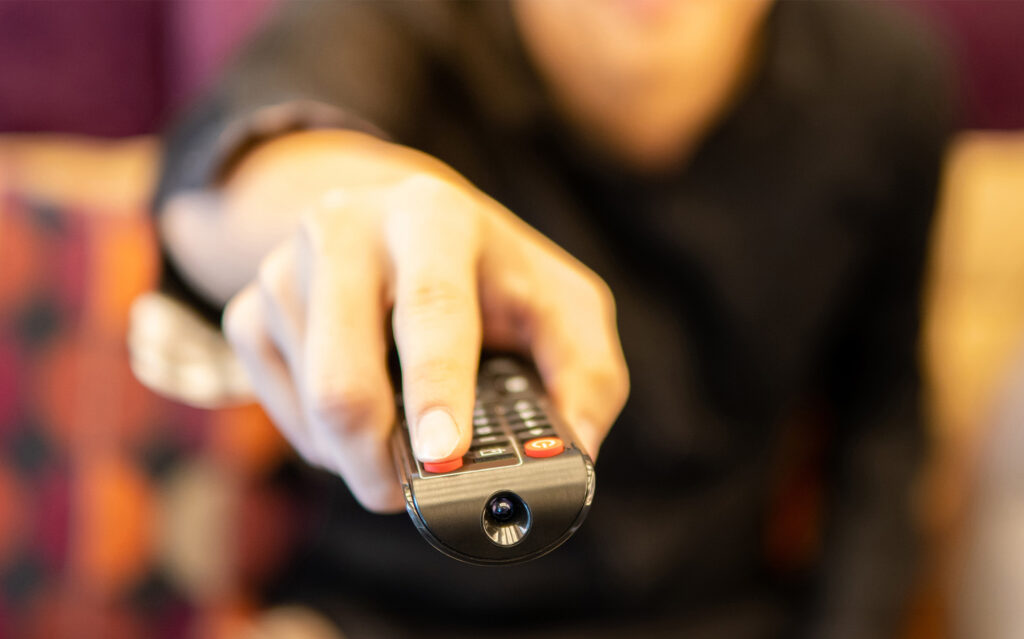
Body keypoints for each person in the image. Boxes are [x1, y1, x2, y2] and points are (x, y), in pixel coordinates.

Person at [149, 1, 950, 637]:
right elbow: (225, 177)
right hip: (382, 612)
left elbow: (881, 425)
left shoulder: (888, 84)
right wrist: (344, 209)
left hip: (707, 616)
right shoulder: (390, 21)